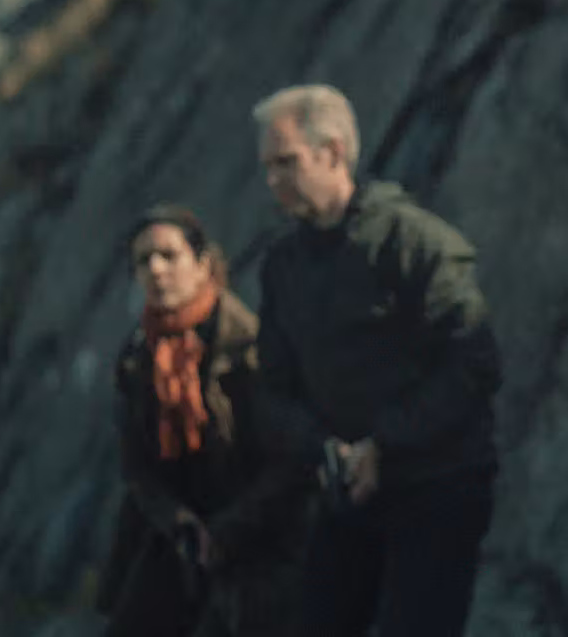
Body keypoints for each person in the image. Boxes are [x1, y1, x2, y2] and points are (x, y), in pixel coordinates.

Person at [252, 84, 501, 637]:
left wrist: (382, 443)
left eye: (286, 162)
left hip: (439, 483)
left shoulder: (414, 241)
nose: (273, 180)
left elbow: (475, 363)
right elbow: (271, 390)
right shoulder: (282, 266)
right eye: (267, 167)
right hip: (347, 489)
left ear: (333, 152)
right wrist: (326, 448)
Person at [96, 205, 303, 637]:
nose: (156, 270)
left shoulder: (248, 348)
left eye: (169, 256)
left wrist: (229, 530)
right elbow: (137, 467)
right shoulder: (138, 358)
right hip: (176, 538)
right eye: (144, 260)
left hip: (258, 536)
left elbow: (287, 463)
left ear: (203, 264)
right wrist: (178, 522)